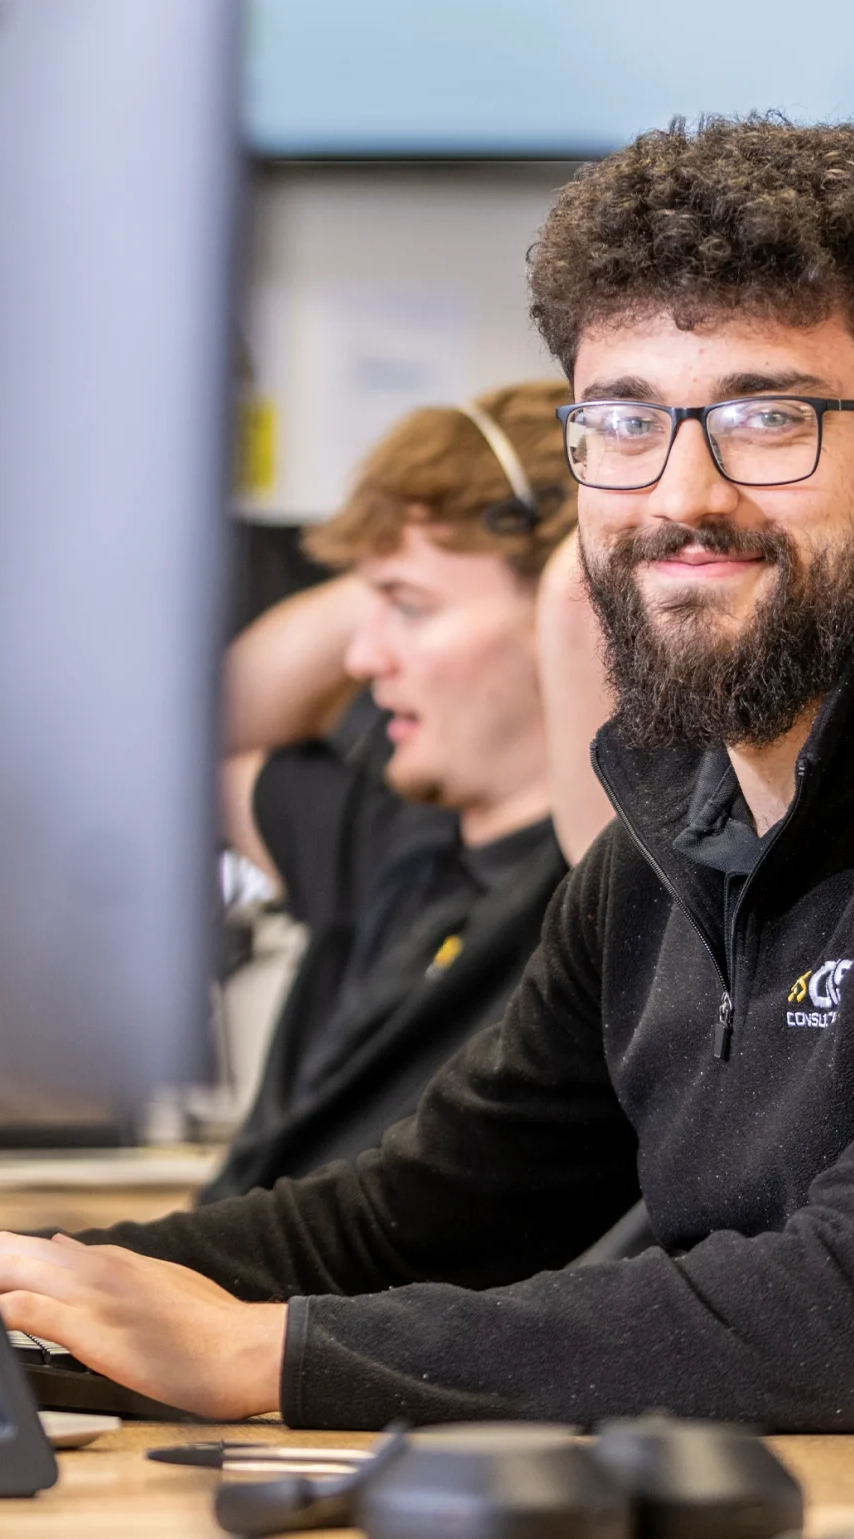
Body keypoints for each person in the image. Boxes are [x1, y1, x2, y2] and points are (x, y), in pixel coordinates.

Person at [0, 118, 854, 1436]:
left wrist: (268, 1354)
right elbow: (424, 1212)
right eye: (623, 421)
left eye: (766, 416)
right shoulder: (669, 846)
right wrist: (14, 1295)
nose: (684, 491)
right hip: (826, 1518)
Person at [205, 379, 592, 1204]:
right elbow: (209, 740)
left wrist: (568, 558)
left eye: (408, 608)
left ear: (574, 599)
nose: (362, 657)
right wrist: (400, 540)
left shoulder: (607, 897)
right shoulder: (392, 830)